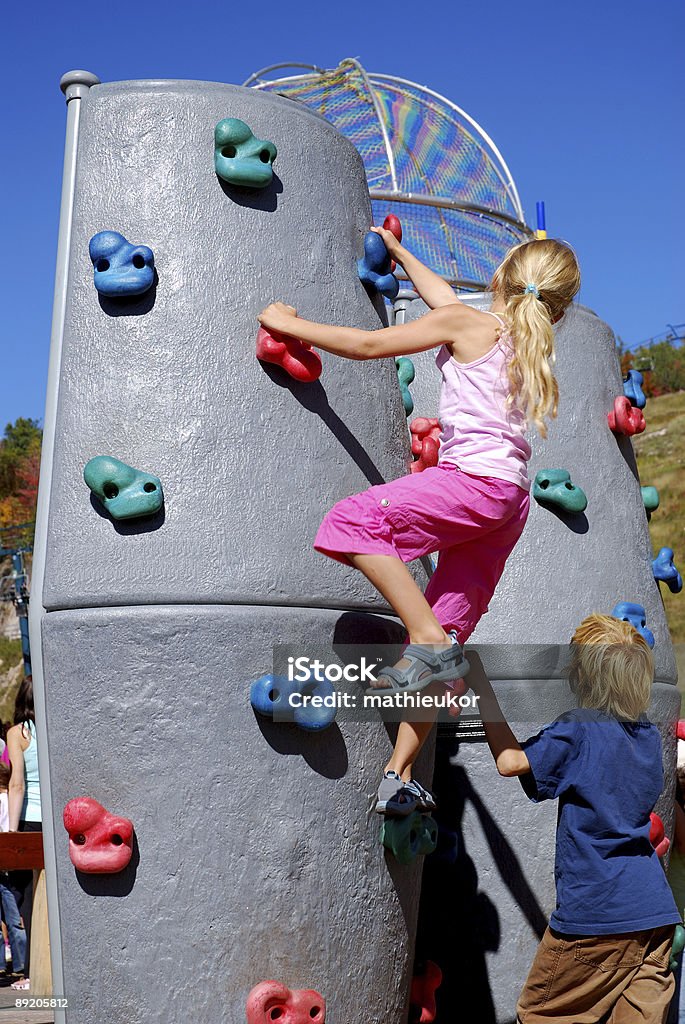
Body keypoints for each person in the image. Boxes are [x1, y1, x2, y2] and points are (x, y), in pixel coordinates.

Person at [258, 234, 580, 813]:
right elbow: (444, 302)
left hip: (473, 484)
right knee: (447, 634)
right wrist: (404, 258)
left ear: (502, 273)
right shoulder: (521, 339)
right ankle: (396, 774)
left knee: (353, 521)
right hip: (510, 502)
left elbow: (366, 343)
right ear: (556, 305)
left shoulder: (469, 324)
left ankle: (426, 638)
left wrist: (288, 323)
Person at [468, 613, 680, 1023]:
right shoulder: (649, 737)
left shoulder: (580, 729)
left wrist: (481, 686)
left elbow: (511, 762)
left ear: (581, 675)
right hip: (656, 917)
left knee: (543, 1015)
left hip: (596, 915)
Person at [6, 675, 42, 992]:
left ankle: (32, 971)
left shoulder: (17, 734)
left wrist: (13, 831)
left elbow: (17, 783)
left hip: (30, 822)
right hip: (57, 823)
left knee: (28, 898)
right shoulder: (55, 727)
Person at [0, 762, 26, 979]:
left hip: (4, 862)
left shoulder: (4, 800)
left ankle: (3, 963)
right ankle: (20, 964)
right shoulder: (13, 800)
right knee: (14, 918)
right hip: (9, 864)